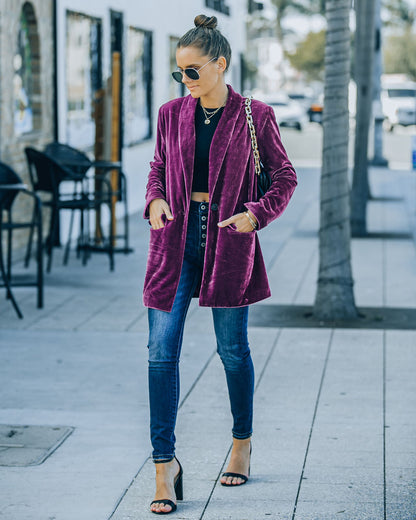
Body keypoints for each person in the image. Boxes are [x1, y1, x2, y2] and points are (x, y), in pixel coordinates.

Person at [143, 14, 297, 515]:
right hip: (175, 240)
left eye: (192, 71)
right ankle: (164, 466)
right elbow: (159, 168)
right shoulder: (171, 114)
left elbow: (285, 176)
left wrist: (256, 214)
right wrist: (155, 201)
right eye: (178, 72)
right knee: (161, 353)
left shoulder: (255, 114)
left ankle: (241, 442)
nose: (184, 81)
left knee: (232, 350)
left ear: (220, 65)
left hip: (228, 238)